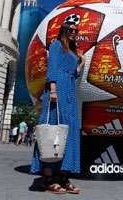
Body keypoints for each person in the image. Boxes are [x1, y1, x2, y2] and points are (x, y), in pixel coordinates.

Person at [30, 22, 85, 194]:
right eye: (71, 30)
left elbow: (74, 74)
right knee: (51, 132)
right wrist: (53, 90)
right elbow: (53, 67)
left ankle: (63, 177)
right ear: (63, 31)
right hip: (57, 91)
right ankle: (47, 179)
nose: (74, 33)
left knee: (68, 134)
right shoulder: (56, 45)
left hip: (69, 93)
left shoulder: (73, 51)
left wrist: (82, 61)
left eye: (76, 31)